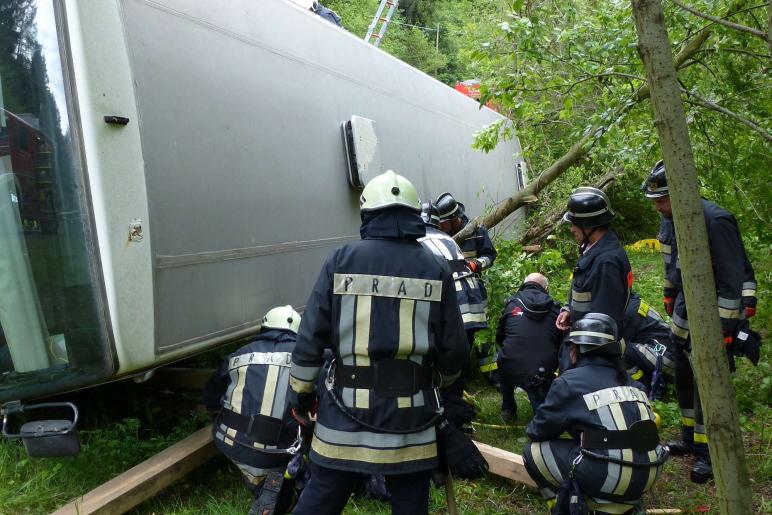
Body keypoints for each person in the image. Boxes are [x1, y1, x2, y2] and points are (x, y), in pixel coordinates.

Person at [287, 170, 469, 515]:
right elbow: (455, 350)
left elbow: (310, 337)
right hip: (411, 422)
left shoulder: (339, 261)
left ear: (367, 213)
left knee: (322, 497)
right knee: (411, 503)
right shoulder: (436, 267)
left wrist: (302, 393)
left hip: (343, 416)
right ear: (416, 214)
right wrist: (438, 383)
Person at [643, 159, 757, 483]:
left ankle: (711, 453)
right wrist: (668, 292)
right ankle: (690, 440)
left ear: (681, 193)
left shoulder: (715, 220)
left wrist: (724, 329)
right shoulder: (669, 219)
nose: (657, 207)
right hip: (683, 315)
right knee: (684, 381)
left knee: (708, 389)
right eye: (654, 201)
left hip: (710, 319)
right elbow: (671, 266)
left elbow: (732, 281)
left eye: (661, 200)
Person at [523, 313, 668, 515]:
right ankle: (623, 505)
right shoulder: (631, 382)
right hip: (649, 472)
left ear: (574, 350)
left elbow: (537, 431)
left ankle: (565, 505)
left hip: (609, 475)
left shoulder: (569, 382)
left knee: (533, 451)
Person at [203, 305, 304, 515]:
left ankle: (262, 484)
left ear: (264, 327)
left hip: (232, 443)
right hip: (280, 452)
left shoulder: (237, 356)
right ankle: (277, 486)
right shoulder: (308, 360)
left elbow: (210, 399)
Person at [418, 202, 483, 430]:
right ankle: (460, 419)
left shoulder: (420, 242)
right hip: (473, 311)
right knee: (458, 366)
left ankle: (449, 421)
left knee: (445, 369)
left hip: (455, 312)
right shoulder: (448, 240)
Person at [435, 192, 498, 379]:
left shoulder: (477, 230)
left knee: (482, 331)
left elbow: (490, 256)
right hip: (450, 290)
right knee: (457, 332)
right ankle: (461, 375)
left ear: (455, 219)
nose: (440, 226)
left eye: (443, 222)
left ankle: (492, 374)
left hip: (474, 288)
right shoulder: (440, 236)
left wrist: (476, 264)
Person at [555, 187, 633, 335]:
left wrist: (579, 346)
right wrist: (569, 310)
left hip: (592, 345)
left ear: (588, 224)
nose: (571, 229)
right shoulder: (593, 248)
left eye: (574, 224)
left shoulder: (606, 263)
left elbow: (603, 322)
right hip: (583, 332)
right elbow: (586, 293)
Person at [495, 273, 563, 422]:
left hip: (510, 365)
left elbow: (499, 337)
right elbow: (561, 344)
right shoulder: (556, 308)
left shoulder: (511, 304)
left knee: (503, 359)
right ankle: (542, 418)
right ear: (546, 288)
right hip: (541, 371)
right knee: (542, 414)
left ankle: (508, 409)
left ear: (524, 284)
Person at [622, 291, 676, 398]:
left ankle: (645, 392)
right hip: (671, 356)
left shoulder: (627, 311)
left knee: (621, 350)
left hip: (668, 360)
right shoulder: (631, 302)